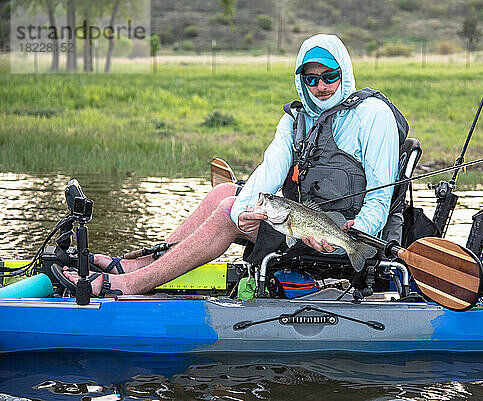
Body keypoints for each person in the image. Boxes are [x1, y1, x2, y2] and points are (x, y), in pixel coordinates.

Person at [60, 33, 400, 296]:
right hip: (299, 225)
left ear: (346, 72)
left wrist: (355, 233)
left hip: (351, 236)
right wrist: (244, 211)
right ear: (301, 81)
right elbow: (269, 170)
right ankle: (135, 264)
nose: (321, 87)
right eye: (312, 79)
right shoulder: (296, 118)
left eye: (330, 76)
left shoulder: (373, 116)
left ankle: (131, 285)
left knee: (225, 211)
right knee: (224, 194)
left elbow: (381, 198)